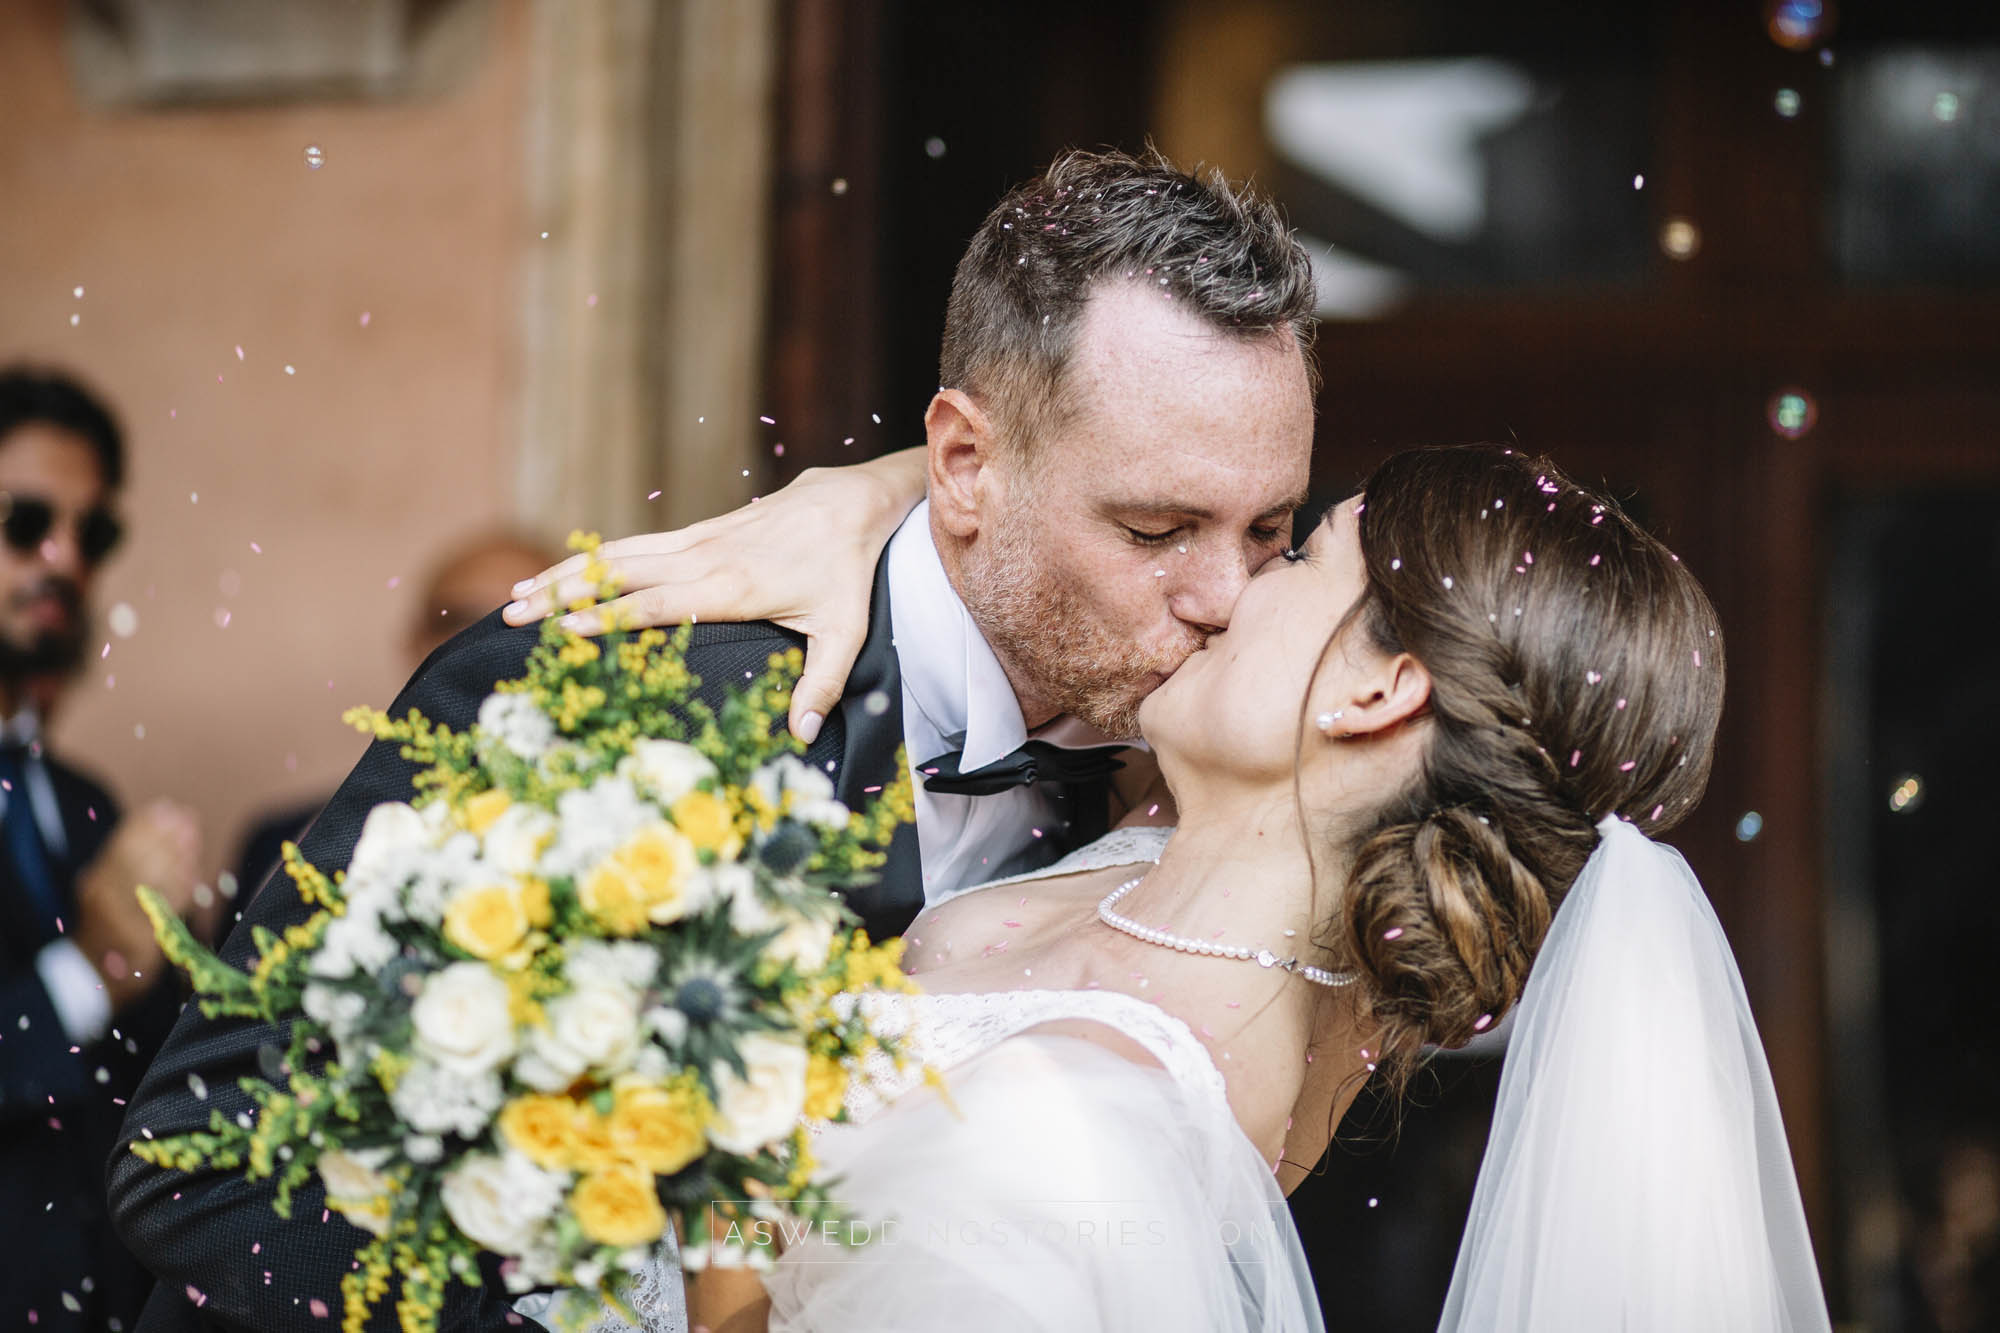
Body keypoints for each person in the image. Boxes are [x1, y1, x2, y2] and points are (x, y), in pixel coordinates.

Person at [108, 147, 1319, 1330]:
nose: (1226, 596)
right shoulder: (617, 693)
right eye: (1155, 530)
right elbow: (204, 1170)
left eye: (1269, 530)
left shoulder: (1175, 783)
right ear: (960, 464)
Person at [603, 444, 1829, 1331]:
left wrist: (704, 1142)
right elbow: (1112, 457)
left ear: (1376, 691)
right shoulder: (1178, 867)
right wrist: (880, 495)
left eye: (1297, 552)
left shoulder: (1069, 1138)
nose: (1224, 584)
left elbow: (762, 1286)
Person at [0, 367, 202, 1331]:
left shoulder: (84, 804)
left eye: (94, 533)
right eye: (25, 521)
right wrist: (88, 970)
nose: (65, 558)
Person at [229, 531, 560, 907]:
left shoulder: (604, 838)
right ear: (413, 642)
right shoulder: (282, 844)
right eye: (462, 620)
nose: (492, 644)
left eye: (530, 620)